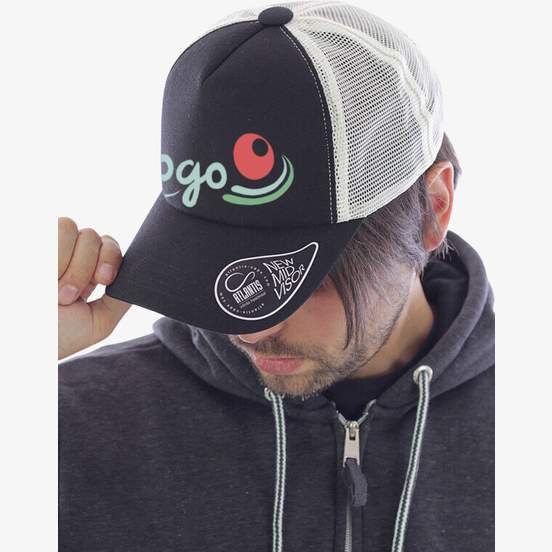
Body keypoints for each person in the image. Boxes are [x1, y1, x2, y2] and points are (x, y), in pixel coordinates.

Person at [59, 2, 494, 551]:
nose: (250, 328)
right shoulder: (70, 424)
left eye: (301, 275)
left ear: (434, 209)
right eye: (213, 262)